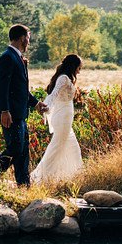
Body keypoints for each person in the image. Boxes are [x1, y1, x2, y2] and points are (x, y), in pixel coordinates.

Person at [0, 24, 46, 186]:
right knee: (15, 148)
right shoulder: (7, 57)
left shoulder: (18, 58)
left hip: (21, 114)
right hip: (11, 114)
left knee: (22, 152)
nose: (29, 41)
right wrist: (4, 110)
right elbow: (2, 87)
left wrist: (36, 104)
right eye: (28, 38)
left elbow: (21, 89)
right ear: (22, 38)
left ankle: (24, 186)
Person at [30, 53, 84, 184]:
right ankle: (39, 177)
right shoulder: (64, 78)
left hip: (66, 118)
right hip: (62, 118)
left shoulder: (68, 78)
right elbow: (53, 94)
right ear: (73, 66)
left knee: (72, 147)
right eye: (79, 67)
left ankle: (71, 178)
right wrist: (46, 107)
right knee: (57, 146)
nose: (79, 71)